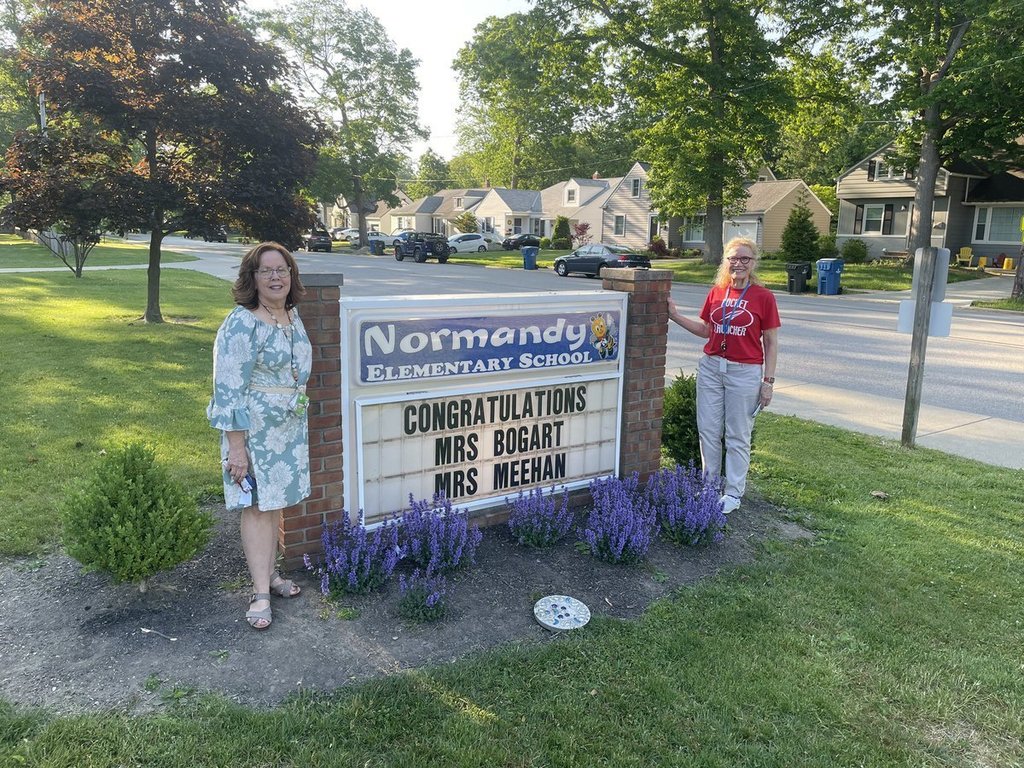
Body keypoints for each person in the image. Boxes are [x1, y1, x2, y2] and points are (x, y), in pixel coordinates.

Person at [207, 242, 313, 630]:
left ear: (291, 274)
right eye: (266, 270)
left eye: (282, 269)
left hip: (286, 429)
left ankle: (271, 576)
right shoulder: (242, 322)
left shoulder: (290, 315)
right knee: (256, 506)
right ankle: (260, 594)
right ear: (252, 277)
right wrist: (237, 448)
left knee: (274, 503)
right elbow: (228, 388)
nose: (275, 277)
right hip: (252, 432)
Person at [667, 237, 779, 515]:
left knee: (737, 434)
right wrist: (675, 316)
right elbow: (706, 330)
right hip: (712, 367)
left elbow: (771, 342)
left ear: (753, 264)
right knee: (708, 430)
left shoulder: (763, 296)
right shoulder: (717, 292)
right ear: (725, 262)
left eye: (745, 259)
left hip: (745, 371)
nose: (738, 264)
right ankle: (709, 485)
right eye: (733, 259)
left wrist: (768, 382)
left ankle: (733, 493)